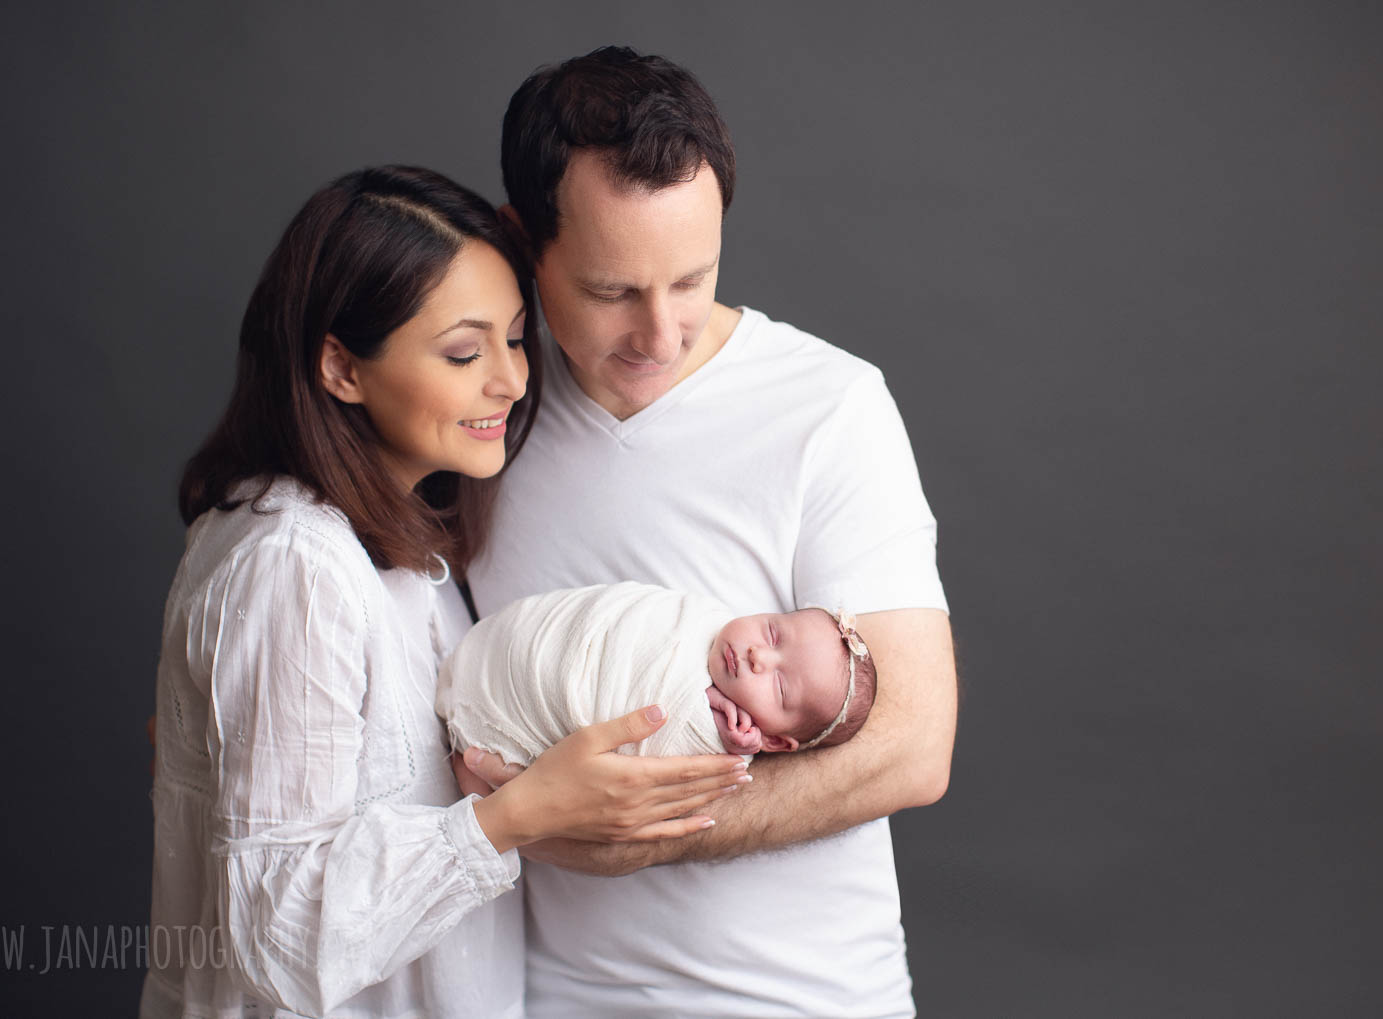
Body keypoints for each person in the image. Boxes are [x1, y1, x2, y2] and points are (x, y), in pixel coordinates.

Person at [140, 165, 748, 1018]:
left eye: (512, 337)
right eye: (464, 352)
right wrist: (515, 817)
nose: (512, 379)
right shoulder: (294, 564)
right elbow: (276, 935)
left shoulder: (396, 544)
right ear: (341, 369)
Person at [455, 47, 958, 1017]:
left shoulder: (830, 409)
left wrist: (628, 829)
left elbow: (912, 743)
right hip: (549, 998)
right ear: (524, 241)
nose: (660, 333)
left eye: (691, 279)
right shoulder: (479, 414)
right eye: (612, 291)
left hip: (807, 1000)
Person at [436, 580, 877, 763]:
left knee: (475, 776)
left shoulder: (723, 739)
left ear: (775, 739)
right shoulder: (701, 614)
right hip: (522, 640)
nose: (760, 657)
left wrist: (725, 739)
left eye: (779, 686)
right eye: (773, 633)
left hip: (531, 704)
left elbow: (661, 741)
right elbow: (618, 615)